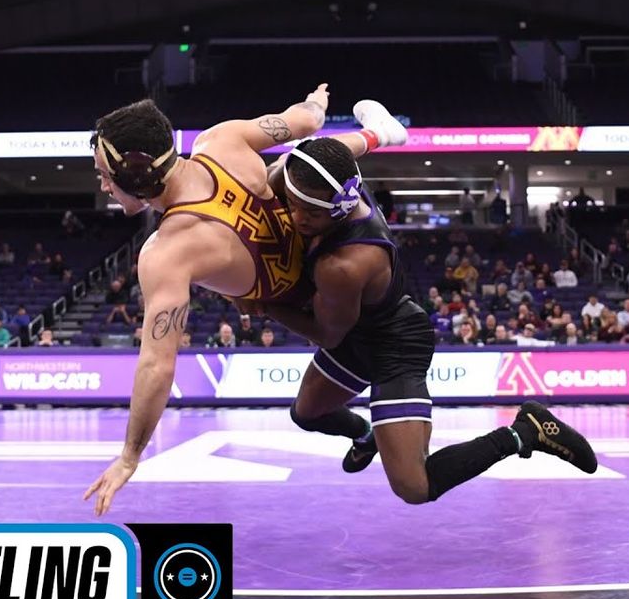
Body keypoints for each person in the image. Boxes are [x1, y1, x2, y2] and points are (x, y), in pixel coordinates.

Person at [83, 90, 413, 515]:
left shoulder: (167, 251)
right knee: (296, 163)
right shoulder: (220, 140)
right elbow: (306, 121)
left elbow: (157, 363)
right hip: (341, 242)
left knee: (292, 168)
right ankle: (376, 134)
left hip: (323, 301)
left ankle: (377, 134)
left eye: (106, 175)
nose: (103, 184)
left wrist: (130, 455)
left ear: (138, 173)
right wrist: (315, 102)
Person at [248, 136, 596, 508]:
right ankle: (368, 435)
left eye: (311, 213)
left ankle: (525, 431)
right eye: (294, 204)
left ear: (339, 208)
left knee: (414, 486)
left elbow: (327, 334)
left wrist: (263, 305)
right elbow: (322, 158)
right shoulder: (304, 174)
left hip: (393, 342)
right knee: (306, 413)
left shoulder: (345, 264)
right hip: (357, 329)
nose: (297, 217)